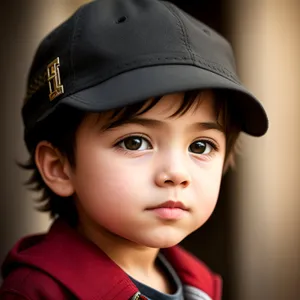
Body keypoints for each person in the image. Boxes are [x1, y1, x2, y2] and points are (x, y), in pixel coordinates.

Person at [0, 0, 268, 299]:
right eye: (134, 142)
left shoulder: (201, 286)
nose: (176, 173)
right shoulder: (36, 291)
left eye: (200, 146)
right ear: (58, 166)